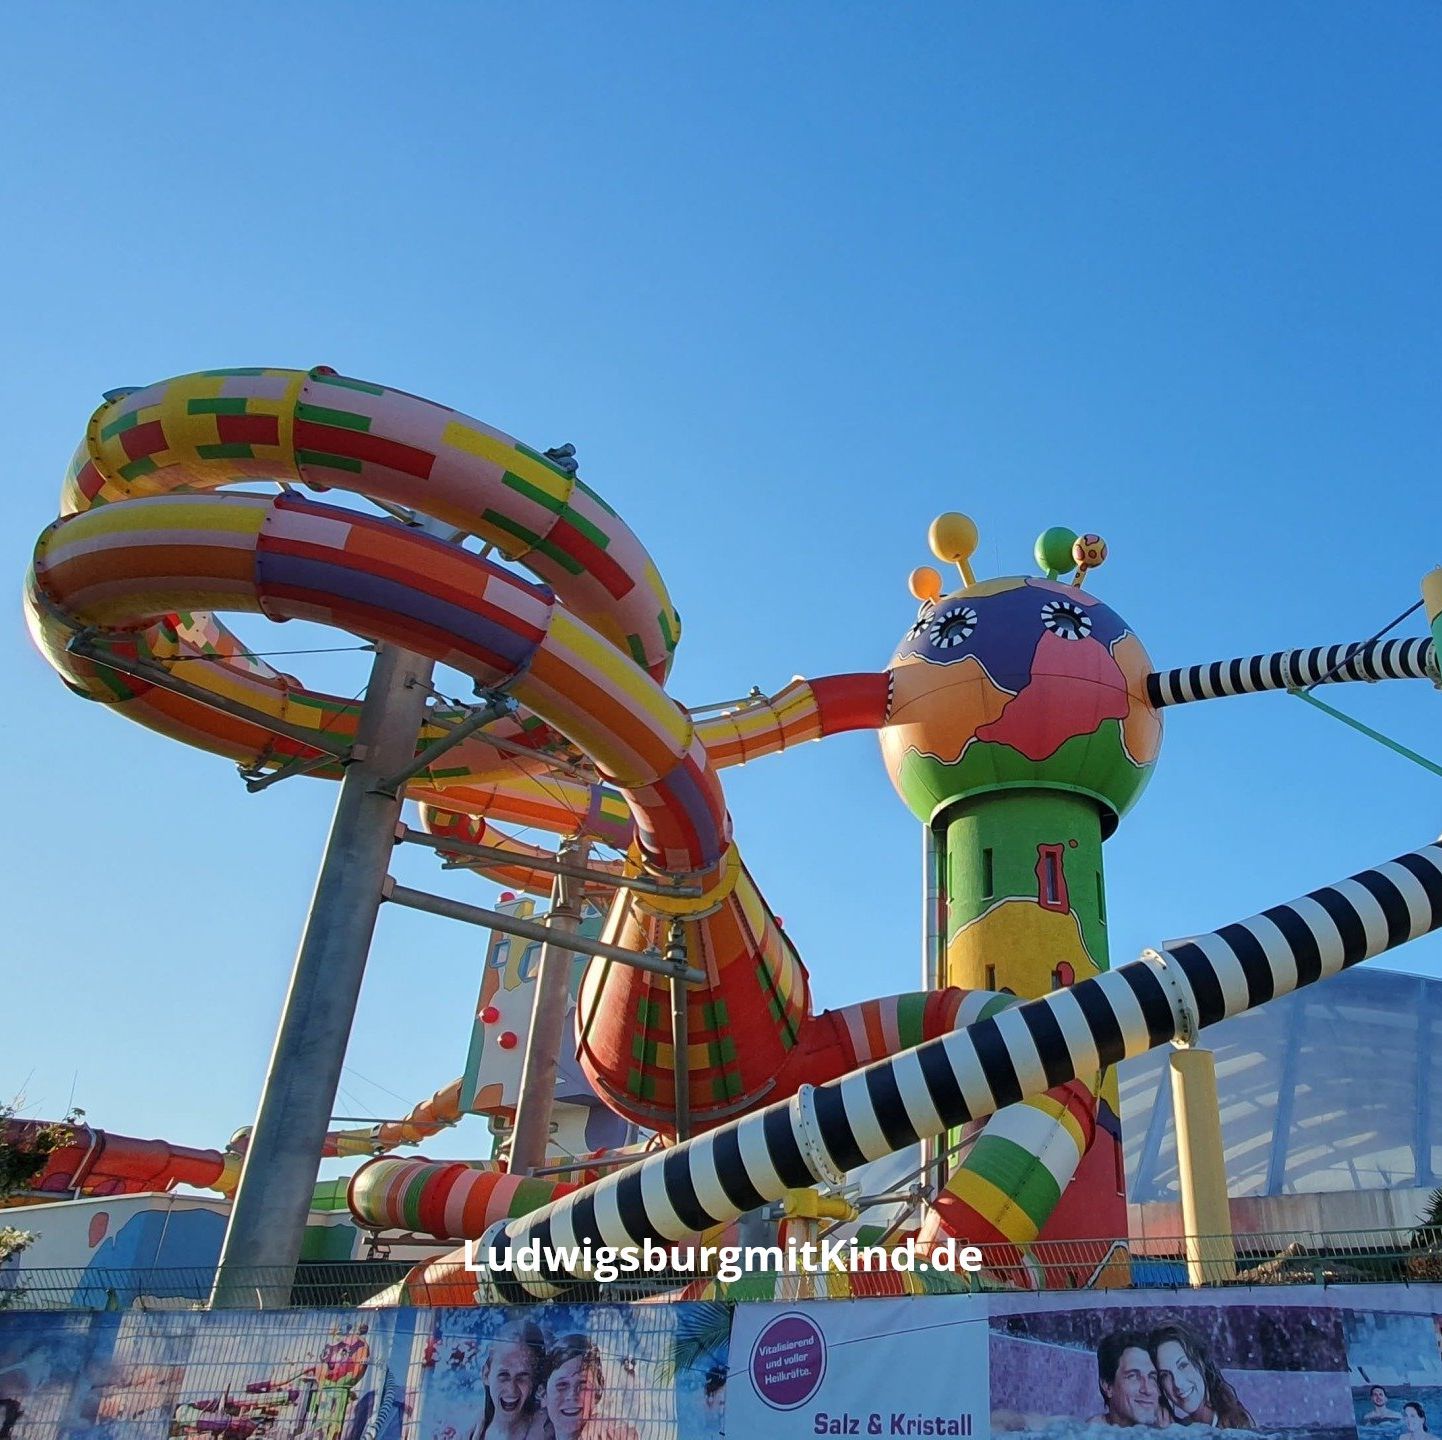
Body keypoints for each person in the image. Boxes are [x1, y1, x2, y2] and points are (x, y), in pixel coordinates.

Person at [1148, 1323, 1254, 1429]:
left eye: (1183, 1365)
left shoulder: (1237, 1426)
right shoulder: (1177, 1429)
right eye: (1165, 1375)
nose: (1178, 1384)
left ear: (1202, 1363)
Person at [542, 1335, 637, 1440]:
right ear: (543, 1394)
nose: (572, 1395)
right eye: (562, 1385)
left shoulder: (614, 1433)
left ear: (598, 1391)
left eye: (582, 1384)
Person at [470, 1321, 548, 1440]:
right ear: (486, 1375)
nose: (512, 1389)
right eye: (503, 1375)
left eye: (522, 1376)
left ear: (533, 1381)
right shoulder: (465, 1429)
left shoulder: (547, 1429)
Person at [1092, 1331, 1165, 1428]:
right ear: (1108, 1386)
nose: (1147, 1390)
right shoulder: (1089, 1434)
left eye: (1152, 1377)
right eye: (1133, 1376)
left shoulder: (1174, 1432)